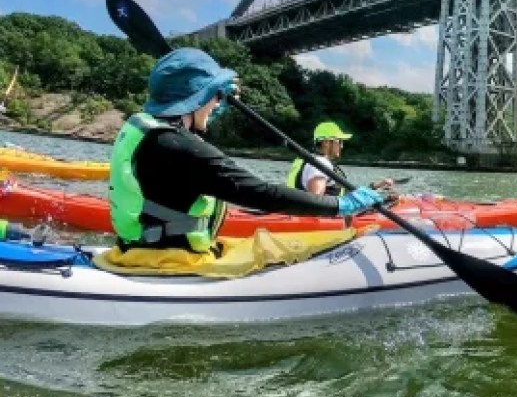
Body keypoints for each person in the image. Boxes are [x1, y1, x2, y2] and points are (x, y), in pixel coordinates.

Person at [109, 48, 393, 254]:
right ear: (197, 97)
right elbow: (262, 193)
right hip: (170, 259)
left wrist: (212, 101)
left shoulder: (150, 133)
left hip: (141, 247)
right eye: (216, 97)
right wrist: (342, 205)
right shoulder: (183, 149)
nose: (218, 105)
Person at [286, 121, 393, 197]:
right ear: (326, 142)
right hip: (317, 222)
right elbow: (315, 202)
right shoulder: (321, 163)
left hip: (296, 215)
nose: (341, 146)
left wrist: (375, 186)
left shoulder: (307, 161)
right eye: (339, 141)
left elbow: (344, 192)